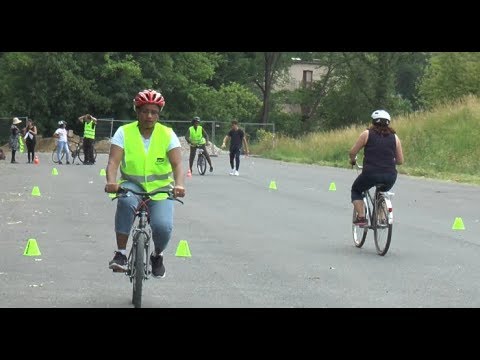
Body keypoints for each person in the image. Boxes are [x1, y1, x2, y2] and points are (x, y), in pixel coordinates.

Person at [104, 89, 185, 278]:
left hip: (161, 189)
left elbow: (178, 164)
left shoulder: (167, 134)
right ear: (137, 111)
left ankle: (157, 256)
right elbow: (113, 162)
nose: (149, 116)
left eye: (154, 112)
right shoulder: (124, 132)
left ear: (159, 113)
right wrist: (111, 182)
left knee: (163, 226)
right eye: (145, 111)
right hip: (131, 185)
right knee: (124, 202)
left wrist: (179, 184)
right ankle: (121, 254)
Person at [349, 109, 404, 227]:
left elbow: (352, 152)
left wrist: (353, 161)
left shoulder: (366, 134)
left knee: (356, 190)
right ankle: (382, 218)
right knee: (383, 191)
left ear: (373, 122)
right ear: (388, 122)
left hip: (370, 174)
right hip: (390, 176)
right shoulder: (395, 138)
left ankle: (362, 217)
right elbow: (400, 161)